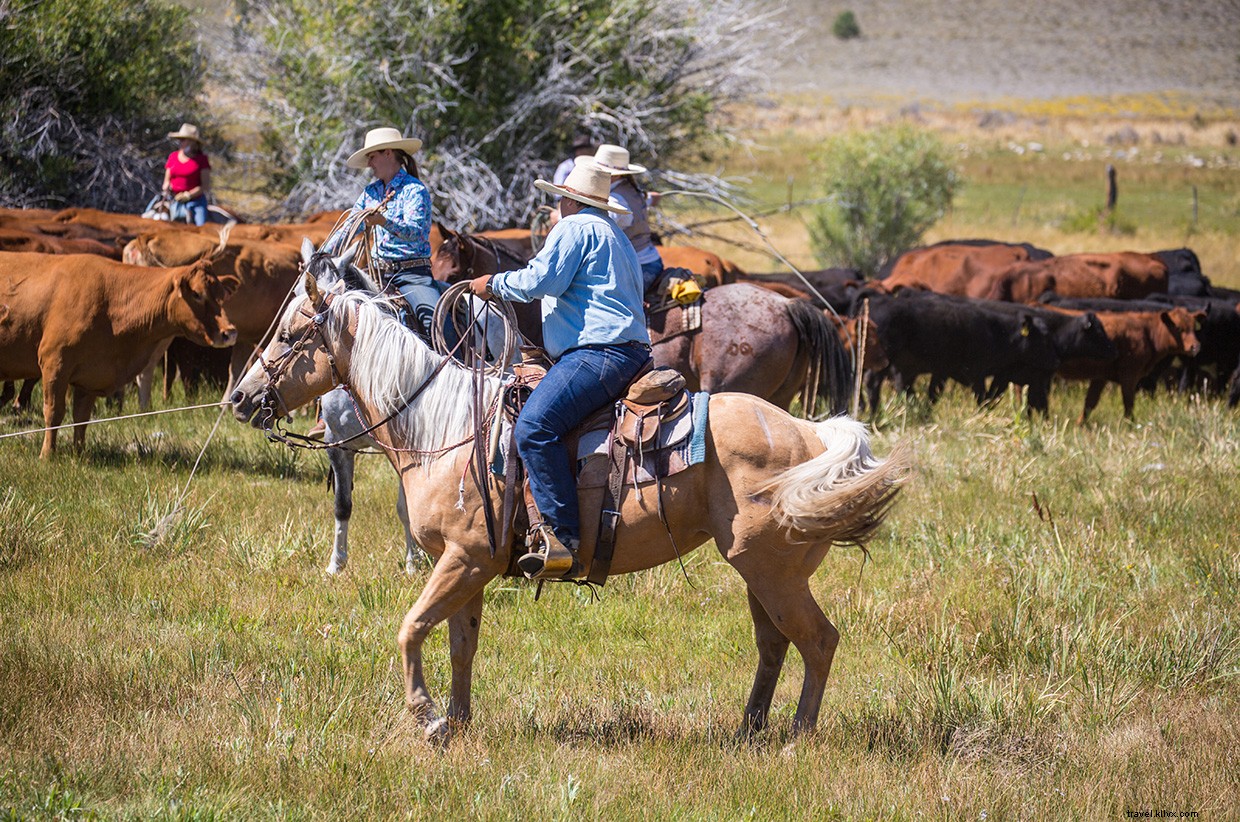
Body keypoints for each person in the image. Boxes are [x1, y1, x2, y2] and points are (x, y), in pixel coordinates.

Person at [468, 162, 651, 580]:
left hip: (597, 354)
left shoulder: (573, 229)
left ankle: (562, 537)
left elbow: (540, 281)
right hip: (628, 351)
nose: (558, 203)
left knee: (533, 427)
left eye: (559, 197)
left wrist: (492, 284)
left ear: (569, 199)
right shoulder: (616, 237)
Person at [325, 126, 445, 341]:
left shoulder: (414, 190)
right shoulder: (370, 192)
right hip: (378, 275)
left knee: (435, 322)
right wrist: (321, 256)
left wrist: (384, 221)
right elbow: (349, 228)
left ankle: (454, 365)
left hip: (413, 275)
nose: (369, 164)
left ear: (388, 153)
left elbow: (416, 232)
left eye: (372, 157)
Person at [588, 144, 664, 291]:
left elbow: (597, 224)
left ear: (614, 174)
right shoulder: (630, 191)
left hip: (636, 266)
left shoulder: (616, 199)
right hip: (647, 260)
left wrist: (561, 216)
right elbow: (647, 200)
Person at [162, 123, 212, 226]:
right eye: (180, 139)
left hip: (195, 201)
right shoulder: (173, 156)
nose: (180, 142)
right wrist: (167, 188)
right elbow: (166, 181)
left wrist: (188, 195)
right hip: (172, 199)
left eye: (183, 139)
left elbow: (205, 186)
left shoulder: (201, 160)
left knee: (201, 226)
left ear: (193, 142)